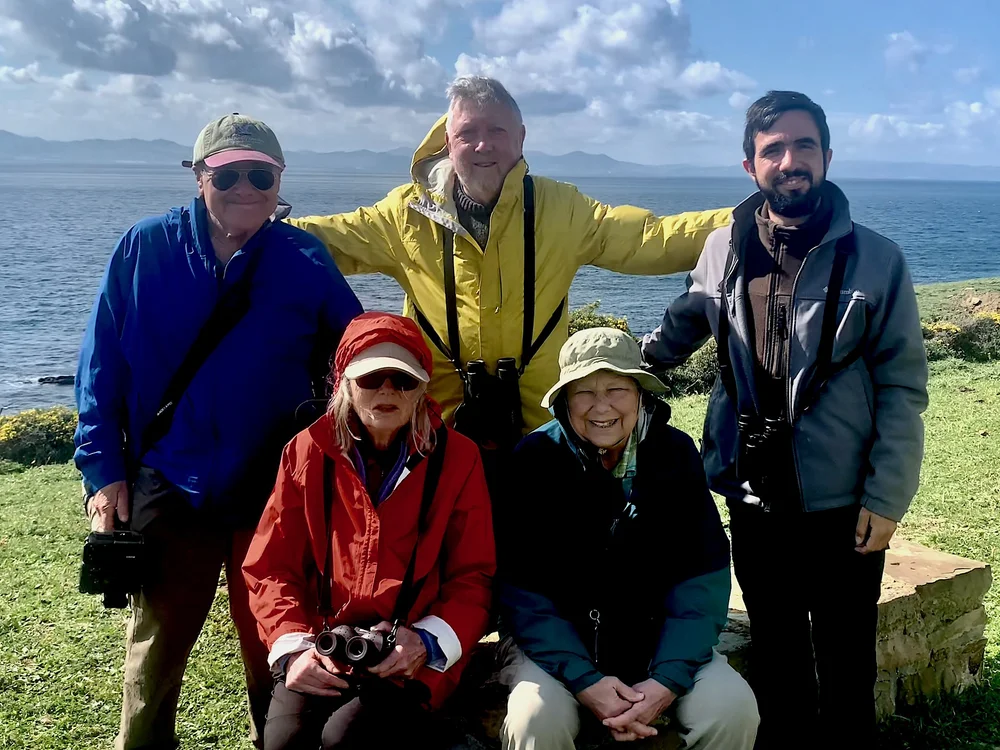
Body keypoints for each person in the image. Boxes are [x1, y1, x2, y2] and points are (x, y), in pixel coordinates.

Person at [641, 91, 929, 748]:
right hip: (754, 494)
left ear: (827, 156)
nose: (790, 161)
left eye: (804, 145)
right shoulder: (722, 248)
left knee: (846, 660)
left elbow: (903, 387)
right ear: (750, 165)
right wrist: (603, 376)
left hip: (844, 500)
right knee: (778, 656)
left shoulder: (877, 259)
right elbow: (677, 331)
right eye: (773, 149)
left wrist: (887, 497)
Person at [286, 75, 732, 489]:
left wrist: (747, 219)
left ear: (520, 137)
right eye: (468, 132)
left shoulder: (560, 209)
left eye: (497, 130)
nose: (483, 144)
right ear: (448, 141)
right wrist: (255, 217)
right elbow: (323, 241)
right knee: (449, 542)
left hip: (544, 433)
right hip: (435, 431)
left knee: (538, 542)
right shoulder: (405, 215)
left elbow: (650, 238)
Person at [74, 113, 363, 750]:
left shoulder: (303, 259)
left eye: (260, 175)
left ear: (279, 180)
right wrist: (102, 472)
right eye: (227, 174)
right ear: (198, 176)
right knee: (157, 651)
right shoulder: (145, 247)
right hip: (168, 479)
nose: (245, 189)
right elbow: (101, 365)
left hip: (273, 489)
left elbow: (354, 356)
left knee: (276, 646)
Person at [495, 328, 759, 750]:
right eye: (584, 392)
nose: (601, 407)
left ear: (640, 394)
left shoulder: (675, 454)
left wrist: (666, 681)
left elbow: (701, 579)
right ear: (564, 401)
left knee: (732, 708)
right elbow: (522, 592)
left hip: (658, 643)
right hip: (556, 649)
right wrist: (585, 680)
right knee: (536, 719)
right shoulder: (534, 460)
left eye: (616, 389)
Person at [242, 312, 496, 750]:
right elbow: (270, 566)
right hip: (320, 643)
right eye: (371, 378)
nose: (387, 391)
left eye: (404, 380)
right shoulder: (307, 452)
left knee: (347, 738)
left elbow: (474, 574)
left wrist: (426, 641)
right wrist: (293, 649)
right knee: (284, 740)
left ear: (422, 390)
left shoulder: (458, 459)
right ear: (344, 383)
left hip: (409, 653)